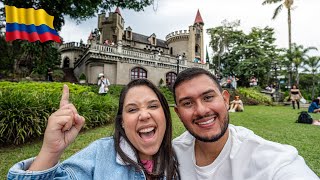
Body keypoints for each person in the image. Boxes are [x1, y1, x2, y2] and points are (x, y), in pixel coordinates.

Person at [7, 79, 180, 179]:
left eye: (153, 106)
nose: (144, 115)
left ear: (165, 114)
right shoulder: (100, 155)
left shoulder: (181, 157)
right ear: (122, 122)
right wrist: (50, 151)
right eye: (132, 109)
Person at [172, 67, 318, 179]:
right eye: (188, 103)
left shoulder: (269, 159)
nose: (201, 110)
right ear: (178, 113)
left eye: (208, 97)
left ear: (225, 100)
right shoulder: (172, 153)